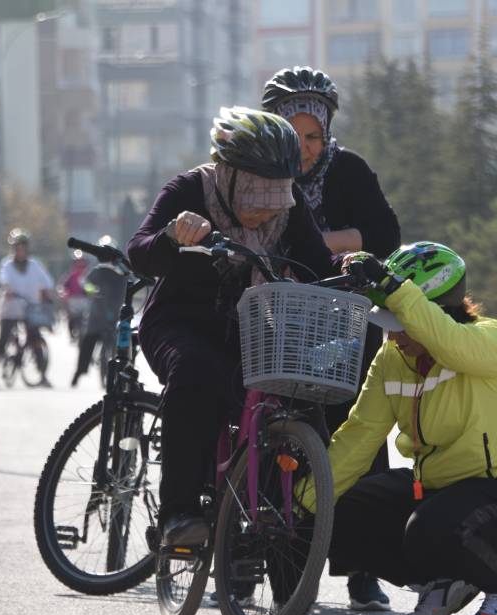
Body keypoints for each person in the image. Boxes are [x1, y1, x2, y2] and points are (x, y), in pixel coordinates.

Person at [298, 242, 497, 615]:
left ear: (434, 313)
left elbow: (450, 343)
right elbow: (359, 437)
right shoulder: (391, 359)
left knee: (430, 528)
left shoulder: (493, 338)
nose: (393, 336)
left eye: (401, 324)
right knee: (340, 510)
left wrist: (396, 290)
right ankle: (444, 582)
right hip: (437, 490)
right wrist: (305, 502)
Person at [127, 106, 335, 550]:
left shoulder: (289, 209)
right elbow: (139, 252)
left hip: (253, 332)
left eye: (275, 196)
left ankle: (292, 551)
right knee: (196, 373)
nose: (265, 209)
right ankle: (179, 514)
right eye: (256, 196)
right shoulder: (190, 190)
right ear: (228, 174)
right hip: (179, 324)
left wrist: (353, 266)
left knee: (302, 399)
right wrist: (172, 235)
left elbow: (319, 264)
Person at [263, 65, 402, 611]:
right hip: (275, 320)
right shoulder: (258, 171)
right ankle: (268, 562)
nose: (304, 147)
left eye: (313, 135)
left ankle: (363, 569)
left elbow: (385, 235)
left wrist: (319, 242)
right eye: (292, 134)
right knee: (273, 437)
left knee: (359, 440)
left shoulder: (350, 170)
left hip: (345, 321)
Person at [0, 229, 56, 387]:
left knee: (35, 338)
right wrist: (8, 290)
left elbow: (47, 282)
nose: (20, 251)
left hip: (29, 308)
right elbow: (4, 280)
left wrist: (48, 293)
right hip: (10, 308)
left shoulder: (35, 265)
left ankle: (42, 374)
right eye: (17, 248)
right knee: (3, 338)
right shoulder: (7, 264)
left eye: (23, 247)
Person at [71, 237, 127, 388]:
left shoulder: (121, 271)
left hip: (115, 313)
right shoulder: (97, 270)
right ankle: (79, 372)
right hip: (97, 314)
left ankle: (121, 372)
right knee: (88, 341)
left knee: (119, 344)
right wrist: (92, 291)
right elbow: (85, 282)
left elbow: (129, 284)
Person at [60, 250, 90, 340]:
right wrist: (65, 295)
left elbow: (92, 289)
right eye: (78, 265)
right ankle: (71, 332)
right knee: (71, 316)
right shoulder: (71, 276)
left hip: (85, 300)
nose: (80, 268)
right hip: (73, 300)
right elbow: (63, 287)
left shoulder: (88, 276)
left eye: (83, 265)